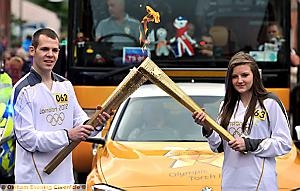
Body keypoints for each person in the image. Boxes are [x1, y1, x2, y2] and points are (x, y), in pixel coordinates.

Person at [11, 28, 111, 184]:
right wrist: (67, 135)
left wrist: (96, 123)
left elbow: (79, 121)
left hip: (64, 179)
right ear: (32, 51)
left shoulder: (65, 85)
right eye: (44, 49)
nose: (50, 55)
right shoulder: (23, 90)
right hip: (34, 181)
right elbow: (27, 139)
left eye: (54, 50)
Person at [192, 51, 292, 190]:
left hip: (260, 183)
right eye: (234, 76)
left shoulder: (270, 103)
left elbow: (284, 143)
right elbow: (219, 146)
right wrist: (207, 127)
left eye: (245, 75)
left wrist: (249, 144)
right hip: (231, 182)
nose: (240, 80)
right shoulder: (226, 106)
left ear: (254, 76)